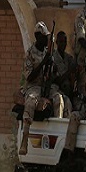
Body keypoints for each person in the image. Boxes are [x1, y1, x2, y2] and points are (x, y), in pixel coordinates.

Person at [19, 21, 66, 155]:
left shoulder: (48, 52)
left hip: (46, 85)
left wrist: (52, 67)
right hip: (34, 86)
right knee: (31, 101)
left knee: (58, 98)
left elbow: (54, 74)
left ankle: (58, 135)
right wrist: (43, 62)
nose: (47, 39)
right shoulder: (30, 53)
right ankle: (25, 139)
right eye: (45, 36)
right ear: (37, 36)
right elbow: (29, 77)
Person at [52, 31, 75, 113]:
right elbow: (56, 80)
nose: (63, 44)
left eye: (65, 42)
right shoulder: (53, 58)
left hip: (67, 91)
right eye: (61, 42)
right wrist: (69, 72)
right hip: (56, 90)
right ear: (56, 42)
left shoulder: (68, 58)